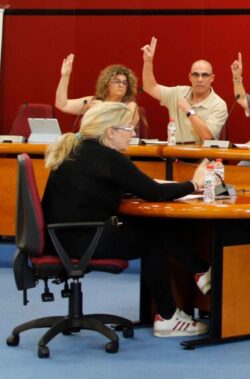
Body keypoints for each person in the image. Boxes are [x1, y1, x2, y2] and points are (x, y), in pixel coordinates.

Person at [40, 102, 212, 338]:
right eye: (129, 128)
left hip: (61, 238)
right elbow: (154, 192)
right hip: (83, 239)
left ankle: (194, 280)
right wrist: (196, 183)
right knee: (152, 237)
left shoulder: (76, 150)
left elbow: (107, 187)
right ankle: (179, 302)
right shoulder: (109, 158)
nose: (133, 134)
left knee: (150, 229)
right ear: (110, 131)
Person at [140, 37, 228, 143]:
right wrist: (148, 62)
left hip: (202, 158)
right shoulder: (178, 93)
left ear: (212, 78)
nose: (200, 79)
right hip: (175, 155)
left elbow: (207, 136)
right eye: (196, 75)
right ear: (190, 77)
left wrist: (189, 111)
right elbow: (150, 87)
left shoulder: (219, 104)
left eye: (204, 75)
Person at [54, 54, 141, 129]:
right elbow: (62, 105)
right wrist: (65, 76)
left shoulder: (130, 106)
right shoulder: (93, 101)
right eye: (117, 81)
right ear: (107, 84)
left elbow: (124, 127)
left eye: (125, 83)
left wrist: (102, 108)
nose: (121, 85)